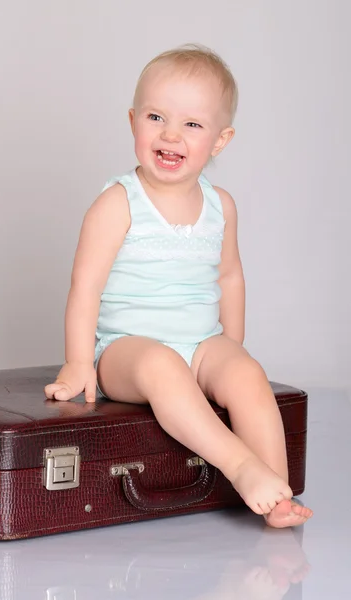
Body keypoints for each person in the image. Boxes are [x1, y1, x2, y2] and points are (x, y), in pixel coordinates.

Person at [45, 44, 313, 528]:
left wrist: (230, 346)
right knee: (162, 365)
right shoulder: (118, 204)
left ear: (220, 140)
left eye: (192, 124)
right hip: (125, 352)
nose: (171, 134)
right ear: (132, 122)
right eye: (155, 116)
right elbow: (84, 286)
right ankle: (241, 466)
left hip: (199, 344)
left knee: (248, 375)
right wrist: (79, 362)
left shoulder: (221, 205)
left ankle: (278, 490)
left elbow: (230, 274)